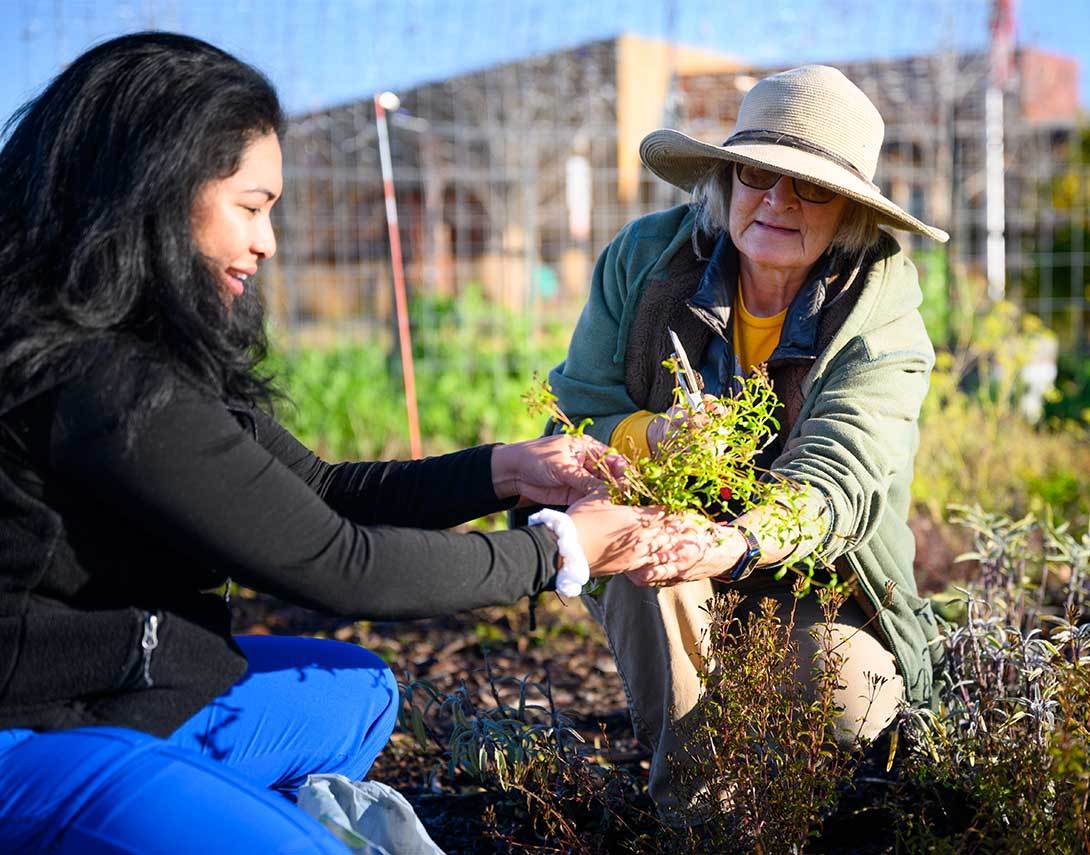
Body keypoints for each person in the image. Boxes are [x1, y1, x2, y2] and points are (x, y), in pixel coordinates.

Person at [0, 32, 712, 853]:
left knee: (361, 691)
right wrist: (555, 552)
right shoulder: (103, 382)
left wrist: (503, 471)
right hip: (31, 734)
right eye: (251, 206)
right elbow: (339, 565)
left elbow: (322, 490)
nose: (268, 240)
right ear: (154, 189)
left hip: (121, 692)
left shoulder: (147, 347)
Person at [548, 64, 949, 819]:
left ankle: (775, 785)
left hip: (816, 583)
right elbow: (567, 422)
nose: (776, 200)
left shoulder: (882, 319)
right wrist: (654, 436)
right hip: (666, 560)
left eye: (810, 186)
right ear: (727, 179)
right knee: (640, 538)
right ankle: (699, 820)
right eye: (758, 173)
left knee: (851, 701)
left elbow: (834, 484)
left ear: (851, 214)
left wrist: (732, 544)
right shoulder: (644, 264)